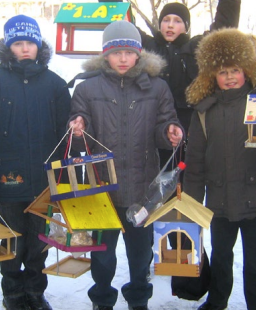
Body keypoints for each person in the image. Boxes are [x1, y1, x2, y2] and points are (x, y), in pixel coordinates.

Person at [68, 20, 184, 310]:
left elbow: (163, 126)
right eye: (116, 52)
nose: (123, 58)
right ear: (105, 54)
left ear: (139, 54)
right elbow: (79, 139)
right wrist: (78, 129)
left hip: (142, 187)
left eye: (129, 52)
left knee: (139, 254)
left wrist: (170, 130)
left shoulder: (157, 87)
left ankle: (138, 299)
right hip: (102, 188)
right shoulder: (87, 88)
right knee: (103, 255)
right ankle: (103, 299)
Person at [0, 15, 71, 310]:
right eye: (18, 43)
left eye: (30, 43)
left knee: (39, 241)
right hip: (8, 179)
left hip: (45, 181)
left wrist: (64, 179)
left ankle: (35, 292)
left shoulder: (56, 85)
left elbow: (67, 138)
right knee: (13, 241)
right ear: (8, 46)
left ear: (39, 46)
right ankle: (12, 293)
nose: (25, 48)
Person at [184, 28, 256, 310]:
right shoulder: (204, 110)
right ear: (211, 74)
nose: (229, 77)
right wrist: (191, 203)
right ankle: (217, 301)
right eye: (222, 71)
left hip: (254, 200)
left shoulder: (255, 103)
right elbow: (196, 162)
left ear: (247, 70)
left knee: (254, 263)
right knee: (220, 257)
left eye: (235, 70)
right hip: (219, 201)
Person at [137, 0, 241, 168]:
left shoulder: (196, 47)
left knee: (185, 186)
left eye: (177, 21)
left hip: (188, 132)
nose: (170, 25)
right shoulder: (148, 46)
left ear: (186, 27)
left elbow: (224, 28)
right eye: (166, 20)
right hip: (151, 131)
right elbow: (120, 22)